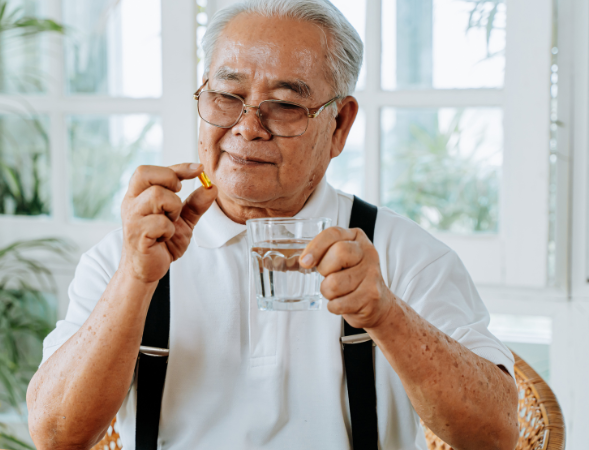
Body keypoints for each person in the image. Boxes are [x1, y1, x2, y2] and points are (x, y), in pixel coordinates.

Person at [26, 1, 519, 449]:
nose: (247, 127)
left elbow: (496, 435)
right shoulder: (129, 253)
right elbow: (54, 435)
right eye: (226, 95)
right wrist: (135, 279)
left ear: (340, 125)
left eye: (284, 105)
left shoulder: (402, 253)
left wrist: (387, 314)